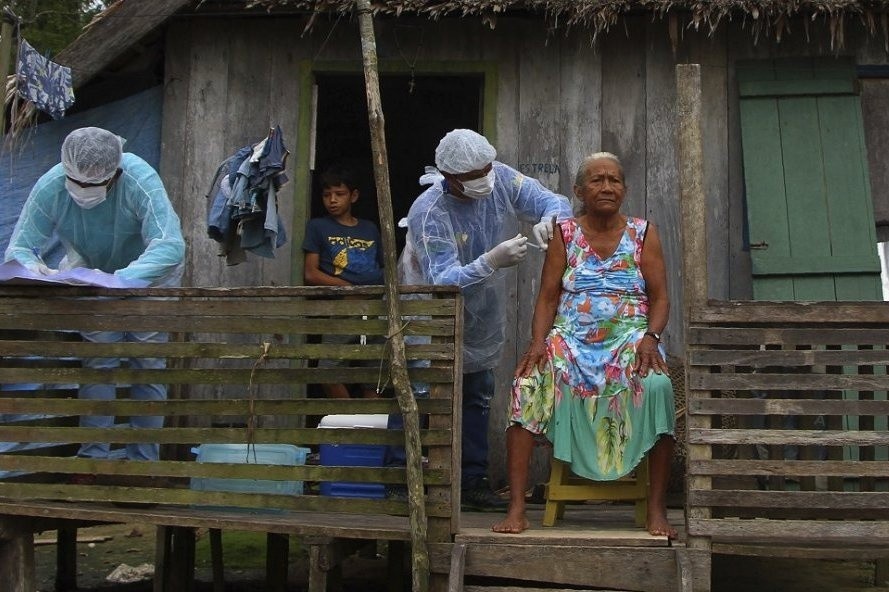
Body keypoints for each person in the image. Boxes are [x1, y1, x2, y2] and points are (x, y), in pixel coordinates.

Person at [491, 152, 677, 537]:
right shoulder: (565, 233)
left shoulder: (644, 233)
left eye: (614, 180)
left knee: (659, 386)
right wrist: (538, 342)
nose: (607, 187)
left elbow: (660, 298)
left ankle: (657, 509)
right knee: (526, 385)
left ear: (624, 189)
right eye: (597, 180)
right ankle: (517, 508)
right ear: (578, 191)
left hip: (630, 341)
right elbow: (547, 297)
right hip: (570, 341)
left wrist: (651, 337)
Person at [403, 129, 573, 511]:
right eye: (474, 174)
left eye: (487, 168)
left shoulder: (500, 178)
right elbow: (442, 280)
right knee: (421, 396)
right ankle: (404, 477)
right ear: (450, 177)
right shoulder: (428, 212)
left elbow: (553, 200)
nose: (485, 177)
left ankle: (472, 481)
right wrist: (491, 261)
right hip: (430, 314)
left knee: (478, 394)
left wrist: (552, 220)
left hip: (481, 313)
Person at [4, 126, 186, 467]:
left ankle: (144, 464)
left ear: (115, 174)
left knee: (146, 362)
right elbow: (21, 247)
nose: (84, 190)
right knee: (99, 361)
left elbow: (169, 245)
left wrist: (121, 279)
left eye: (94, 184)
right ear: (66, 172)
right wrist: (33, 269)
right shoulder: (51, 185)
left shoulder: (139, 179)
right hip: (90, 275)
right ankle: (93, 460)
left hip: (150, 275)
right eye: (77, 183)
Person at [303, 165, 384, 398]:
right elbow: (311, 273)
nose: (332, 200)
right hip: (343, 307)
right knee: (328, 370)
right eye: (327, 195)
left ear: (353, 196)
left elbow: (384, 267)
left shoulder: (369, 228)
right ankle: (349, 416)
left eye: (339, 194)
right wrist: (346, 287)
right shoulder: (318, 227)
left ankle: (367, 420)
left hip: (376, 308)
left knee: (375, 374)